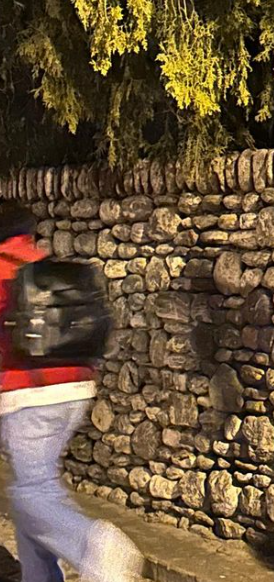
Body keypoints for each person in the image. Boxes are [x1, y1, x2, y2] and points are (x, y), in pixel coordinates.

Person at [0, 201, 143, 582]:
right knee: (37, 490)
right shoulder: (42, 265)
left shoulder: (2, 270)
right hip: (75, 388)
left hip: (31, 393)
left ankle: (91, 544)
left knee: (30, 493)